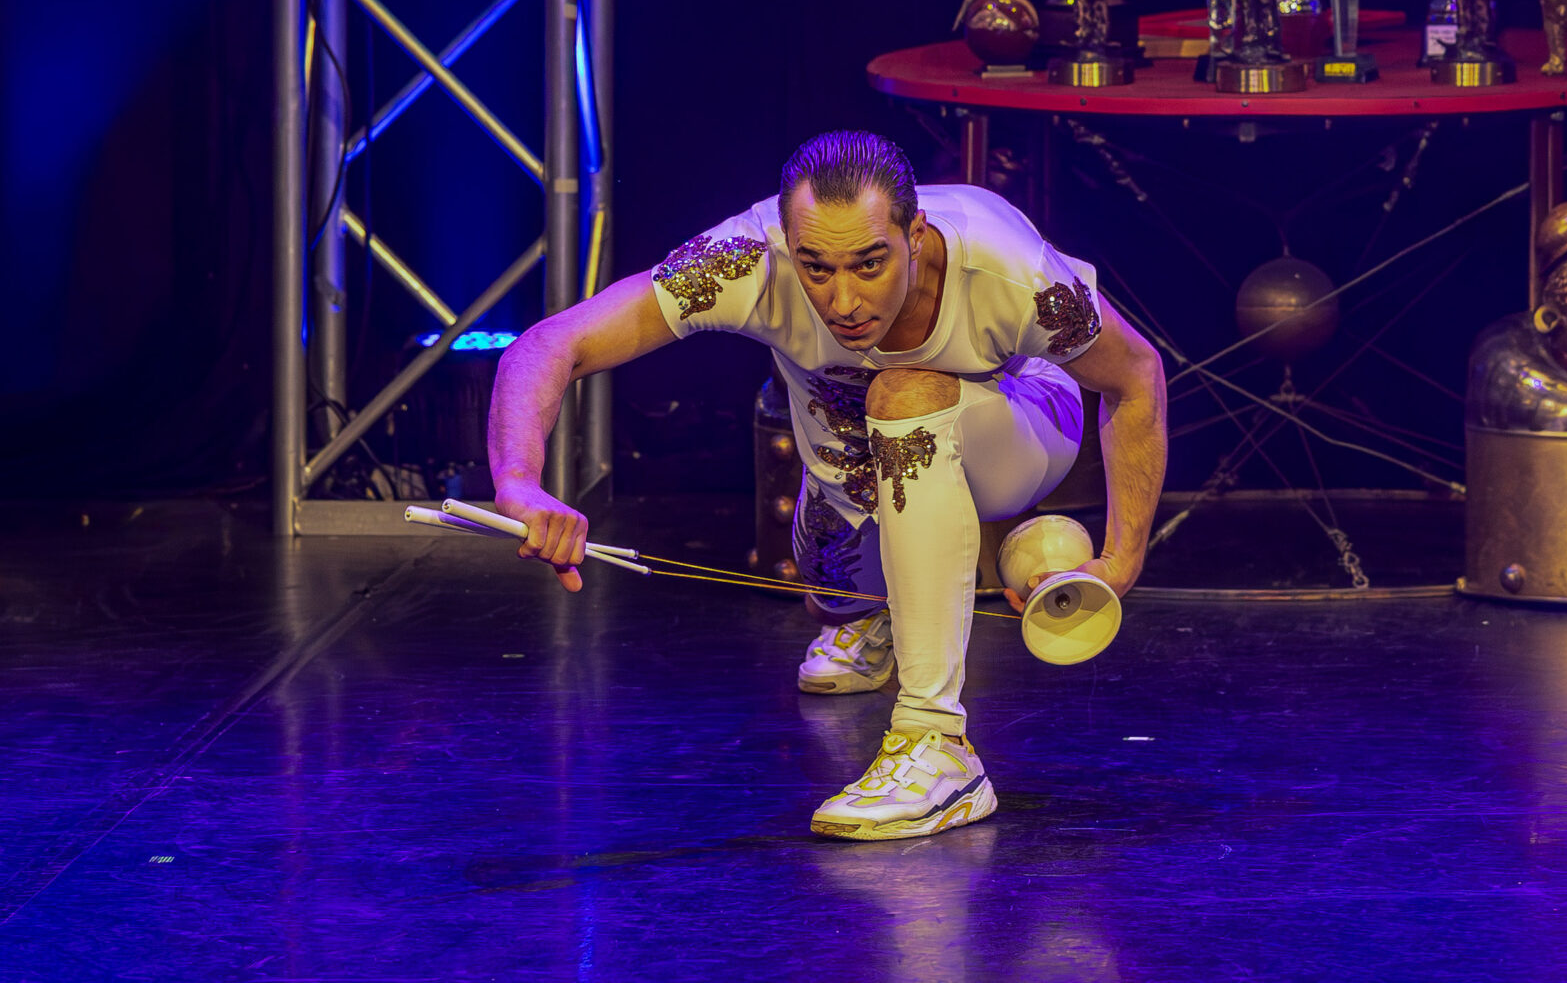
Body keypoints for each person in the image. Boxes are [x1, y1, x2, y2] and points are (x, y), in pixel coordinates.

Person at [488, 130, 1167, 841]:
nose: (843, 301)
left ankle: (938, 745)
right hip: (851, 467)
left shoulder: (1013, 274)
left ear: (915, 235)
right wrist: (520, 483)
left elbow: (1136, 378)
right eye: (816, 268)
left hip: (1025, 422)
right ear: (788, 246)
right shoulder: (745, 260)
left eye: (870, 264)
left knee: (903, 395)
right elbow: (550, 344)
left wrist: (1120, 560)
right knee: (833, 583)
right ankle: (872, 614)